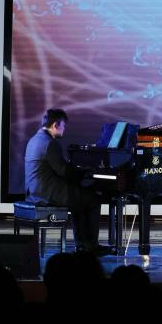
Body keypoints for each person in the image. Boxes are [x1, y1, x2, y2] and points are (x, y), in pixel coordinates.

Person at [24, 108, 109, 254]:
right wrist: (85, 172)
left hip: (35, 191)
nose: (65, 129)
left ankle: (83, 245)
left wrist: (78, 173)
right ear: (55, 125)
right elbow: (64, 171)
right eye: (64, 125)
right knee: (93, 199)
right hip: (48, 193)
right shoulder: (50, 143)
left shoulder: (34, 139)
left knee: (80, 199)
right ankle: (91, 245)